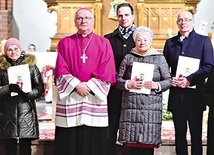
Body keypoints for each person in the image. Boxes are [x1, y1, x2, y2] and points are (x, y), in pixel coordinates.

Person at [53, 8, 116, 155]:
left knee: (93, 138)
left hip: (93, 97)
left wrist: (88, 86)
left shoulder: (104, 43)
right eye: (80, 18)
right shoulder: (64, 43)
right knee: (69, 138)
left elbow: (108, 69)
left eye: (87, 18)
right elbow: (60, 69)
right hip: (72, 96)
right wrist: (76, 85)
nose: (84, 21)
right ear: (75, 22)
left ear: (93, 21)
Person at [163, 11, 214, 155]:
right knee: (180, 135)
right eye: (180, 20)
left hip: (195, 96)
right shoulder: (170, 43)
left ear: (193, 22)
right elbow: (163, 67)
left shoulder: (203, 40)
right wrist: (171, 78)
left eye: (187, 19)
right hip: (177, 96)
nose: (183, 22)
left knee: (196, 135)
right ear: (177, 23)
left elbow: (208, 66)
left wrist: (189, 80)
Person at [116, 26, 171, 155]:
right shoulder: (128, 57)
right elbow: (117, 80)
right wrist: (128, 83)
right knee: (131, 147)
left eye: (145, 40)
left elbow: (168, 80)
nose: (142, 43)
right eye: (139, 40)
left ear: (151, 41)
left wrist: (156, 85)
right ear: (135, 41)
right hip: (131, 107)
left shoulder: (159, 58)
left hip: (150, 109)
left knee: (147, 146)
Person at [0, 38, 44, 155]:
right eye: (9, 49)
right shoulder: (1, 68)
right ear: (5, 52)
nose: (13, 52)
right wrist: (7, 88)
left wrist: (27, 94)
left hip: (26, 112)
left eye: (16, 49)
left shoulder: (31, 66)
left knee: (25, 148)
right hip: (7, 113)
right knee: (10, 148)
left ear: (20, 50)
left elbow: (39, 89)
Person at [104, 3, 135, 154]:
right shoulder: (108, 39)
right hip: (114, 89)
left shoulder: (141, 38)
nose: (123, 18)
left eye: (127, 15)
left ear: (133, 16)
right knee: (112, 123)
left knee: (131, 126)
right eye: (120, 15)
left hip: (135, 90)